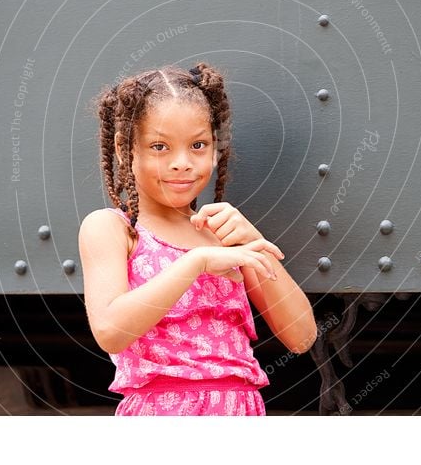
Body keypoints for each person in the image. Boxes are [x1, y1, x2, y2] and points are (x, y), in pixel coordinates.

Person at [78, 62, 317, 416]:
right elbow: (110, 331)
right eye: (160, 146)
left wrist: (250, 241)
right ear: (123, 147)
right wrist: (195, 262)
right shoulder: (112, 228)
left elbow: (302, 337)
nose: (182, 163)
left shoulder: (220, 233)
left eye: (198, 145)